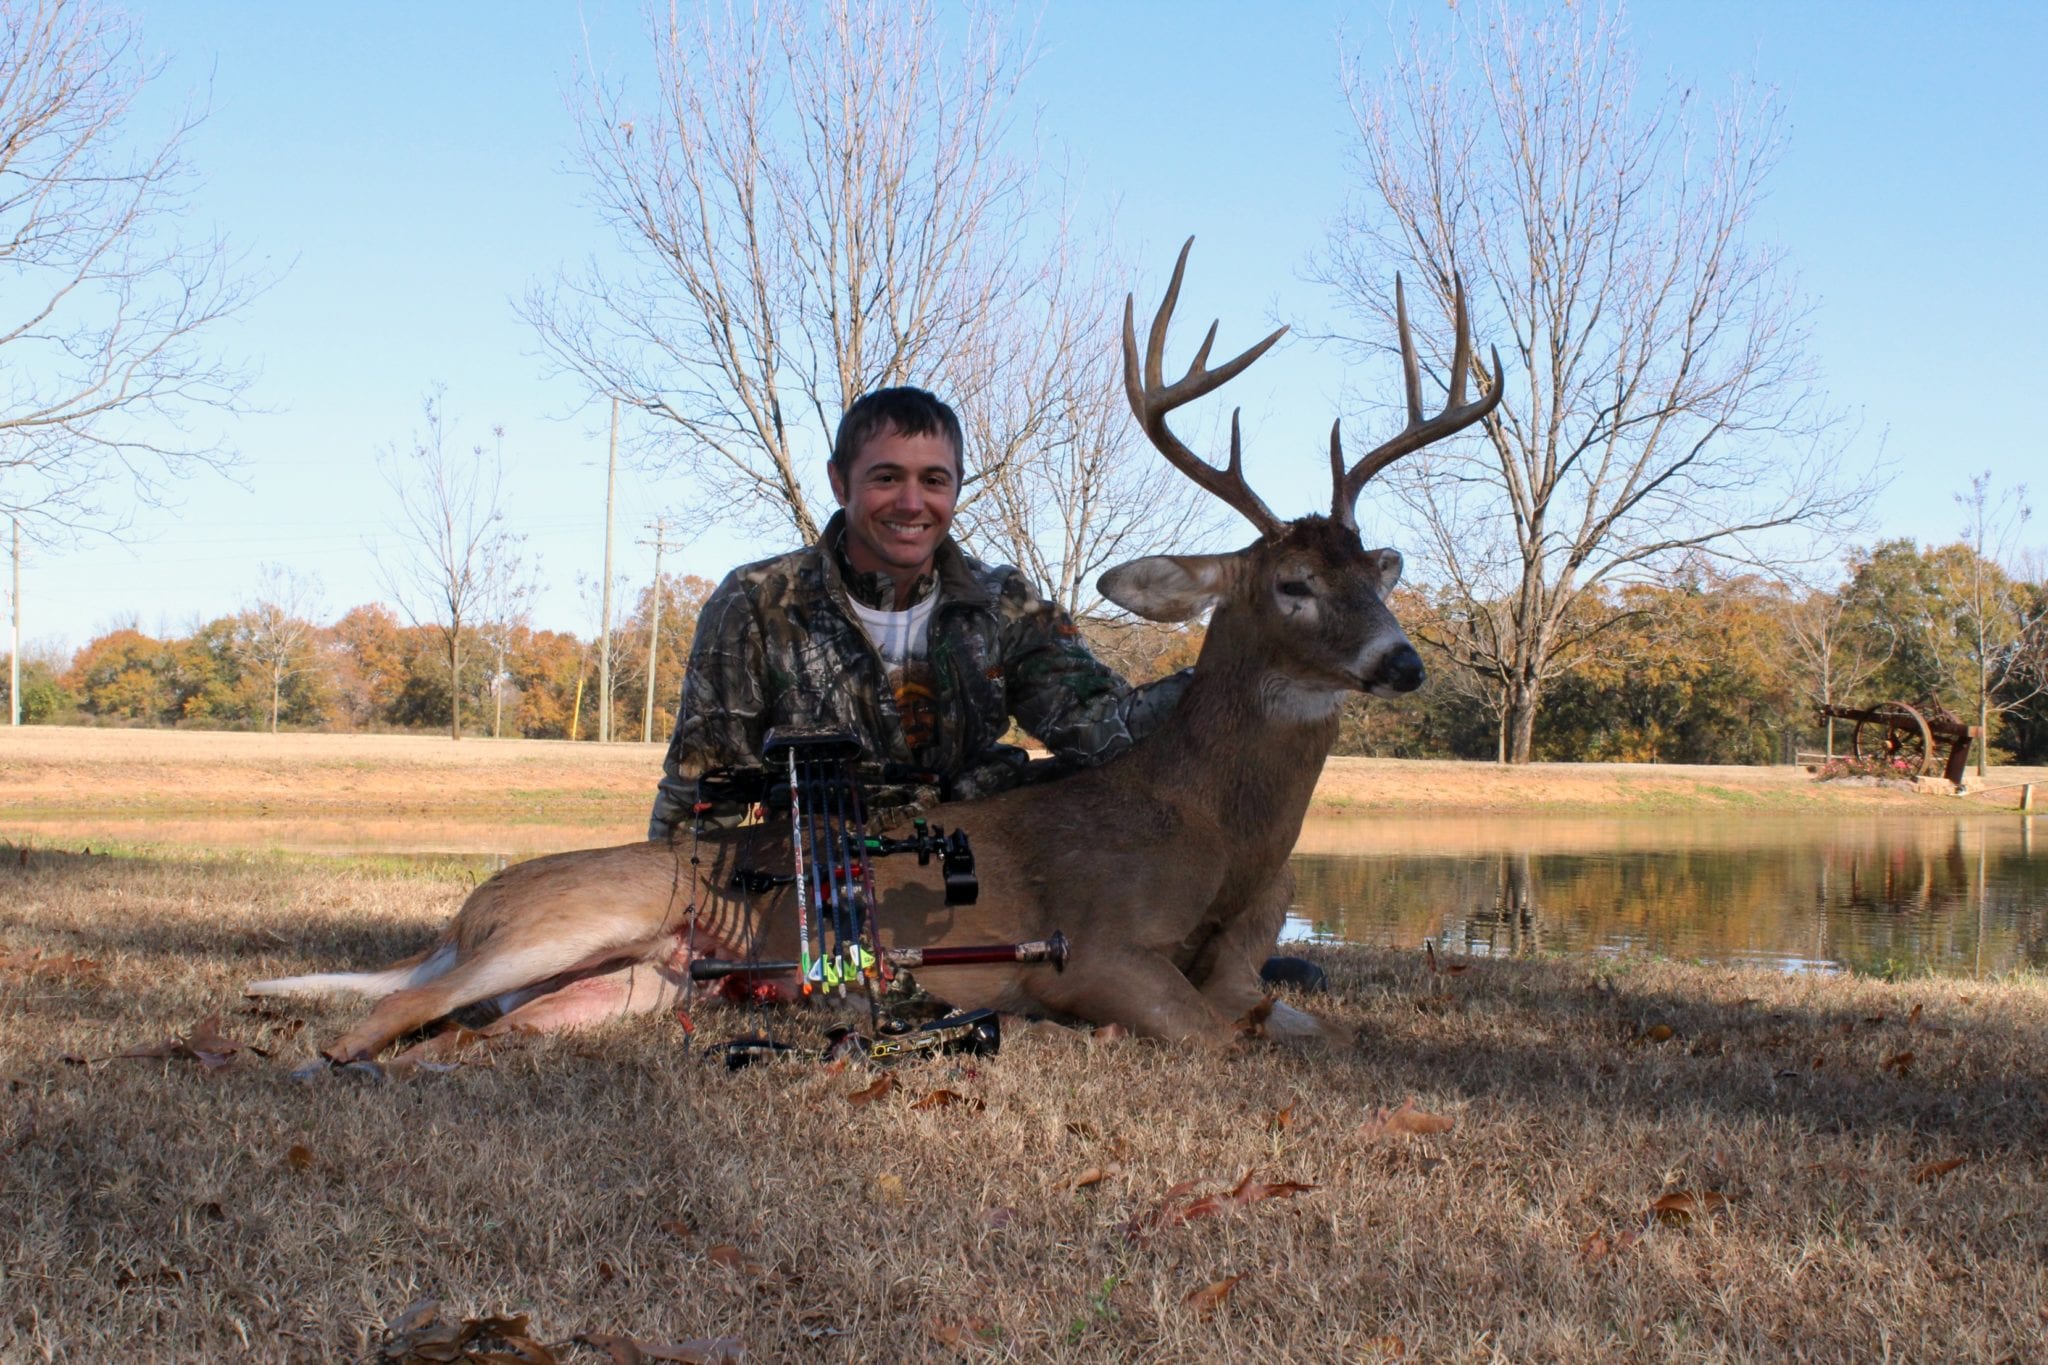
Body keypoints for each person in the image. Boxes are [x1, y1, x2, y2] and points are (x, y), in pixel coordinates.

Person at [647, 386, 1188, 841]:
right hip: (823, 869)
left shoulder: (1004, 600)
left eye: (933, 480)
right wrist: (690, 921)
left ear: (955, 487)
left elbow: (1099, 728)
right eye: (886, 478)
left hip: (984, 854)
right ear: (840, 482)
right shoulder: (756, 602)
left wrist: (1227, 676)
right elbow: (705, 788)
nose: (912, 504)